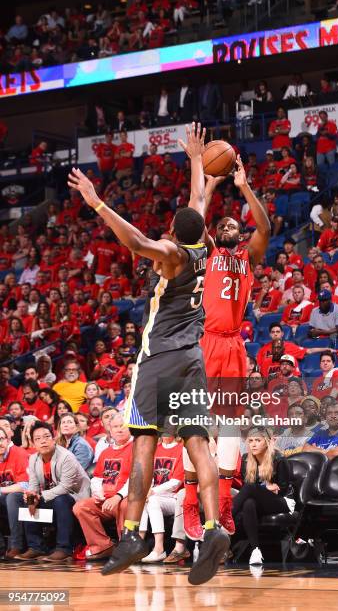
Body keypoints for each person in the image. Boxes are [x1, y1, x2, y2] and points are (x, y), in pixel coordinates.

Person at [68, 123, 229, 585]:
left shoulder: (172, 254)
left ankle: (134, 534)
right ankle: (214, 529)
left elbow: (136, 241)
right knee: (198, 443)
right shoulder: (201, 245)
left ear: (173, 236)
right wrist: (198, 159)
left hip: (158, 361)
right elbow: (199, 201)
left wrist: (97, 202)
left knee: (144, 443)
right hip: (193, 360)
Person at [187, 138, 270, 540]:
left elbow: (265, 227)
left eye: (232, 225)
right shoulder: (208, 252)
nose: (226, 228)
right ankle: (191, 509)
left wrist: (243, 187)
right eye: (222, 225)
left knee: (230, 428)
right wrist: (212, 181)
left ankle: (220, 510)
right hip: (206, 341)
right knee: (197, 421)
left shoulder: (247, 257)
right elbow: (195, 215)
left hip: (234, 345)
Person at [15, 421, 90, 561]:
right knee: (27, 500)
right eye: (38, 439)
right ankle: (35, 547)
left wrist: (39, 496)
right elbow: (33, 485)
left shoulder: (66, 457)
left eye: (46, 436)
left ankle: (64, 548)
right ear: (33, 443)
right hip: (52, 496)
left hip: (76, 497)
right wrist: (32, 497)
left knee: (60, 499)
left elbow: (65, 487)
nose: (43, 441)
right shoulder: (33, 459)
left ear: (53, 438)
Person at [73, 414, 133, 560]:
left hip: (124, 497)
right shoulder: (106, 452)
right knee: (80, 507)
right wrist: (98, 492)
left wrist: (118, 497)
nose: (119, 430)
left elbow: (136, 478)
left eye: (123, 426)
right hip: (105, 500)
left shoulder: (136, 448)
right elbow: (98, 477)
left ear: (130, 428)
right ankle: (102, 546)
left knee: (126, 505)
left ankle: (127, 547)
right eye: (115, 427)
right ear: (110, 431)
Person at [232, 427, 293, 565]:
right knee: (249, 504)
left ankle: (224, 520)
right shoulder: (246, 459)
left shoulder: (279, 458)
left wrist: (262, 488)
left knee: (250, 488)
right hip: (259, 500)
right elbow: (247, 489)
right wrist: (266, 488)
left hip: (282, 501)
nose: (253, 444)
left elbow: (282, 489)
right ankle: (256, 551)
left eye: (258, 441)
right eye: (251, 441)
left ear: (266, 442)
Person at [139, 433, 183, 562]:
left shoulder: (182, 449)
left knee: (151, 499)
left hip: (174, 498)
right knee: (143, 500)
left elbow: (176, 482)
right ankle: (138, 545)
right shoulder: (154, 448)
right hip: (155, 496)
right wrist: (147, 490)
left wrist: (152, 491)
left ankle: (159, 548)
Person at [0, 425, 29, 558]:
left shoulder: (18, 453)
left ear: (7, 440)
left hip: (24, 498)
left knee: (12, 497)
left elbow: (25, 485)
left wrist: (2, 490)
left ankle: (16, 545)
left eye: (1, 439)